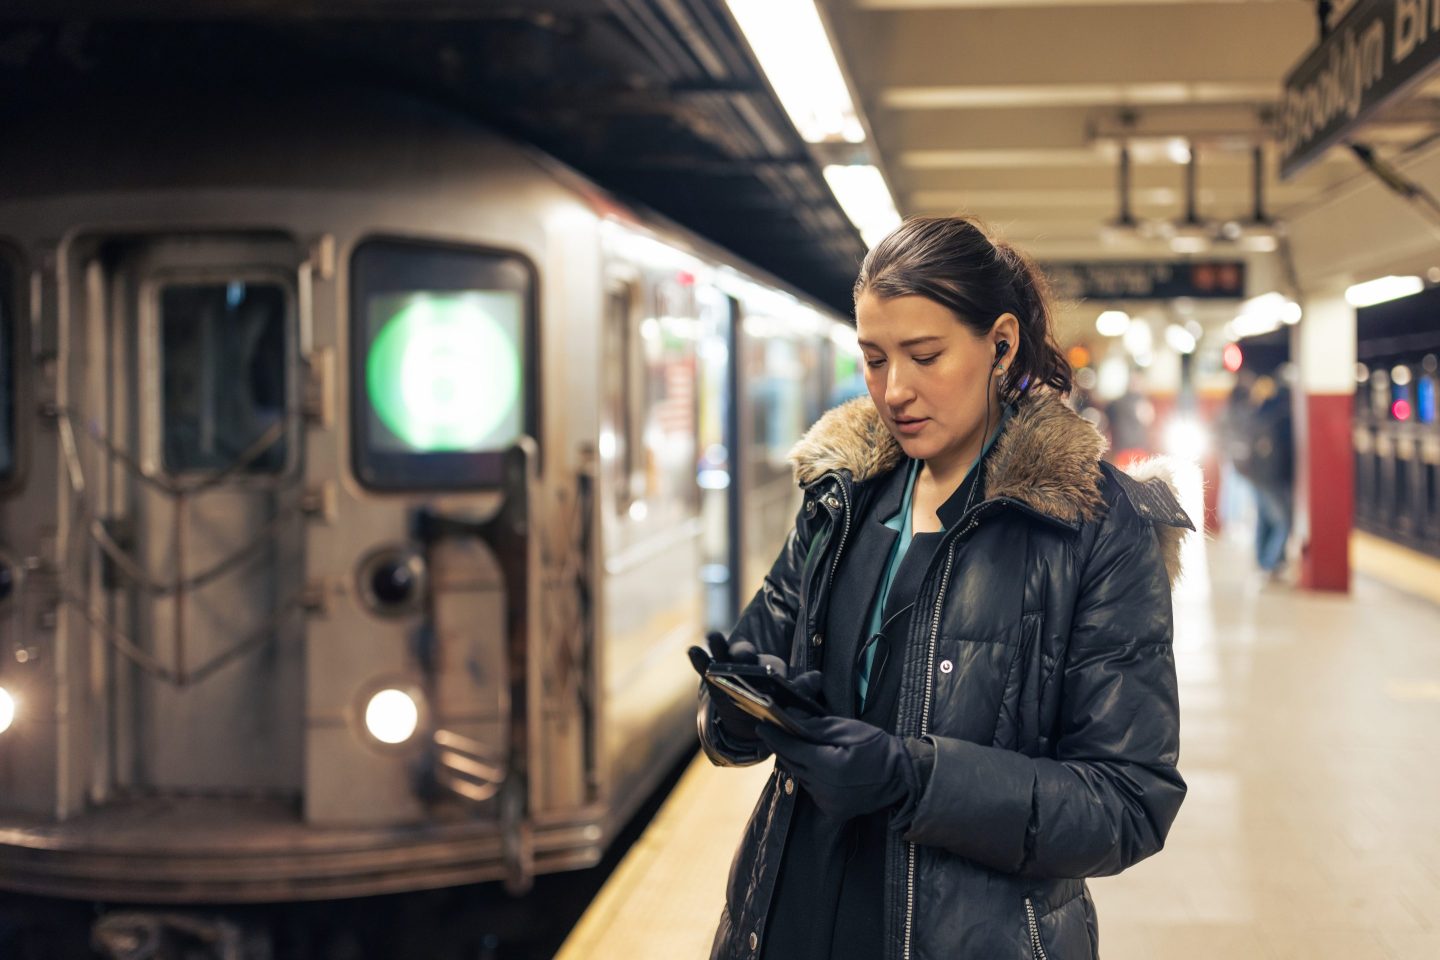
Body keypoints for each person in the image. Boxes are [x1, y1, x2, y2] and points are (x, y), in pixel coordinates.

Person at [689, 217, 1190, 960]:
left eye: (925, 356)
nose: (895, 390)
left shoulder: (1091, 526)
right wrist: (735, 712)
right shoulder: (842, 496)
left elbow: (1127, 802)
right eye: (873, 358)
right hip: (785, 922)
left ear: (1001, 343)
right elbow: (757, 663)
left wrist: (912, 779)